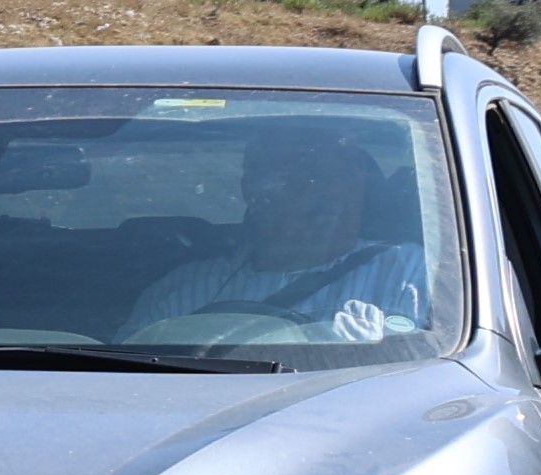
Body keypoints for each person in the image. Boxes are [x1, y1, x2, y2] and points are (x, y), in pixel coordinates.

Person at [135, 123, 428, 343]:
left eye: (342, 179)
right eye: (305, 177)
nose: (329, 194)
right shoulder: (184, 292)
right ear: (254, 192)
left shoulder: (411, 276)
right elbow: (132, 375)